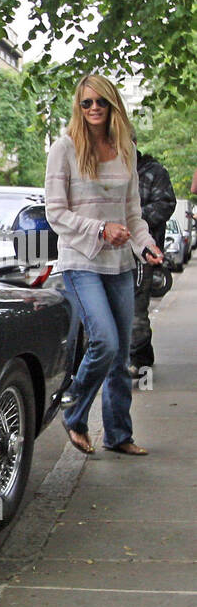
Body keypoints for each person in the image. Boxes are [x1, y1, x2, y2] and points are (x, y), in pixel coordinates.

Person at [44, 73, 164, 456]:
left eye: (101, 102)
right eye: (86, 103)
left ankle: (118, 435)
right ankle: (73, 412)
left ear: (113, 106)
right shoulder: (64, 149)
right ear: (78, 108)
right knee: (105, 342)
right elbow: (55, 212)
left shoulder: (125, 147)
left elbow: (132, 215)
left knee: (122, 353)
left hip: (120, 264)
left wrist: (146, 245)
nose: (94, 108)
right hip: (81, 260)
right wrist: (99, 229)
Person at [130, 145, 175, 377]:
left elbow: (165, 204)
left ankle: (138, 360)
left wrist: (132, 219)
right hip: (110, 253)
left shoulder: (154, 172)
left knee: (137, 309)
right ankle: (139, 355)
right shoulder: (108, 171)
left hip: (144, 252)